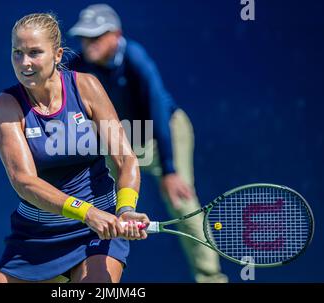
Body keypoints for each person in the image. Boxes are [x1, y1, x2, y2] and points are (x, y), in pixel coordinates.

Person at [68, 4, 228, 283]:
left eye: (96, 36)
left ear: (115, 35)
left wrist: (169, 169)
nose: (88, 44)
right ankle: (81, 277)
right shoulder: (78, 67)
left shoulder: (135, 58)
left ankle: (211, 279)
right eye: (85, 37)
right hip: (122, 136)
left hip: (163, 132)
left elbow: (158, 112)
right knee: (97, 205)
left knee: (182, 203)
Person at [0, 13, 150, 283]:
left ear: (58, 54)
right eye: (17, 52)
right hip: (37, 234)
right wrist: (85, 212)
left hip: (97, 233)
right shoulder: (5, 105)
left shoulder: (86, 87)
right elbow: (24, 181)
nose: (24, 62)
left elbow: (125, 158)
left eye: (35, 53)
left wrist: (124, 209)